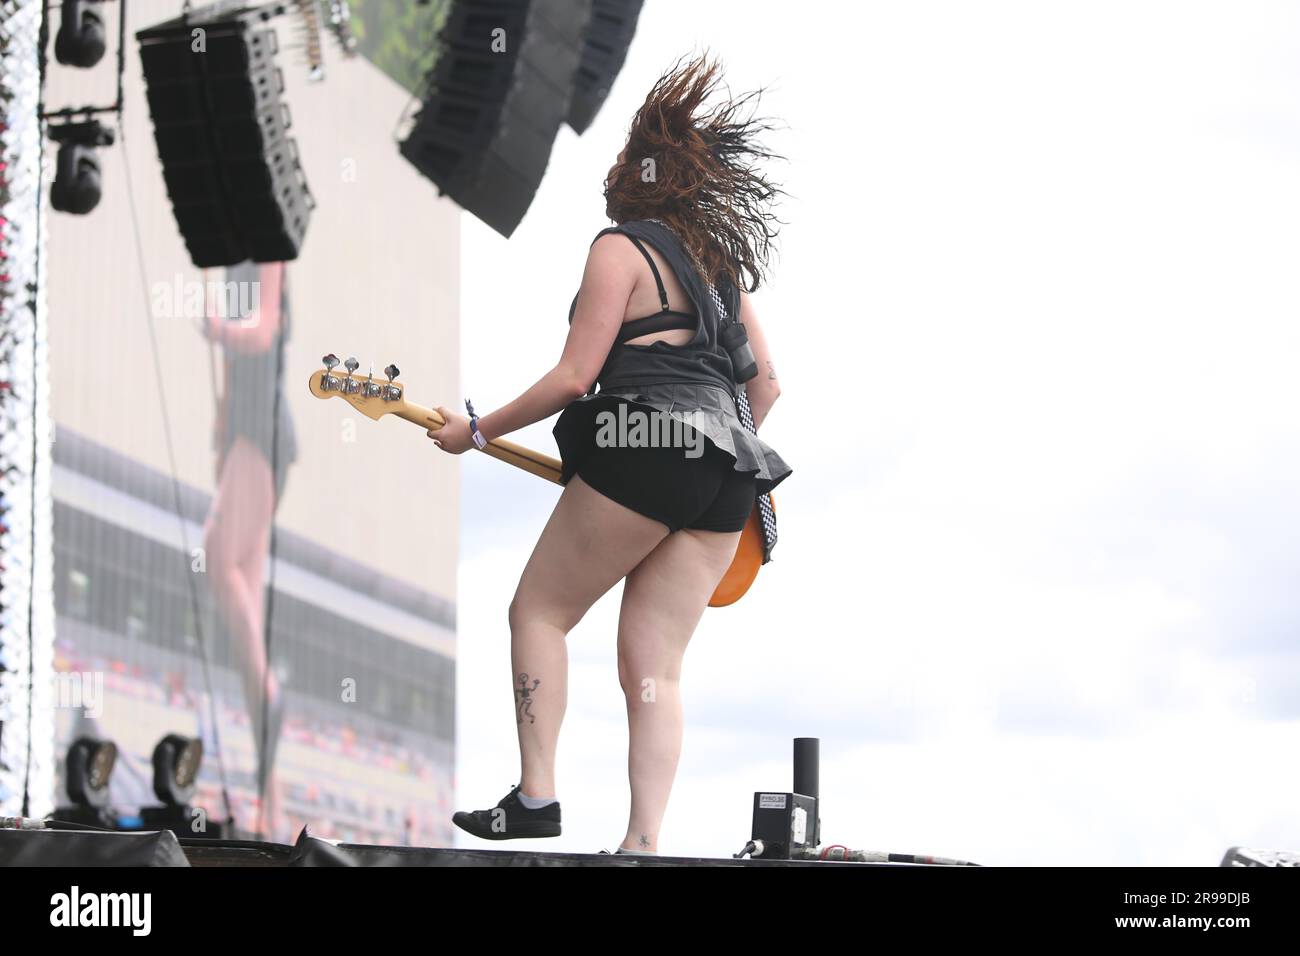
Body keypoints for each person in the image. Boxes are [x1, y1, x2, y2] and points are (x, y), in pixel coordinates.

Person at [428, 53, 791, 855]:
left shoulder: (619, 249)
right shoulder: (722, 275)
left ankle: (536, 796)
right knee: (654, 670)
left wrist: (477, 430)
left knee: (539, 612)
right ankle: (643, 843)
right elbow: (766, 389)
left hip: (646, 442)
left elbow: (573, 377)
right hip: (730, 476)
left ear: (634, 184)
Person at [201, 260, 298, 841]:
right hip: (244, 430)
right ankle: (272, 811)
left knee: (217, 559)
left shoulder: (268, 254)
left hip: (261, 433)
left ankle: (269, 689)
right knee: (247, 642)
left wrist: (218, 329)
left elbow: (262, 332)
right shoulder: (237, 260)